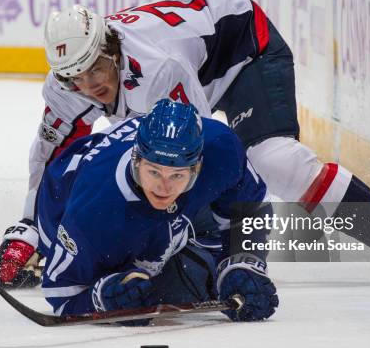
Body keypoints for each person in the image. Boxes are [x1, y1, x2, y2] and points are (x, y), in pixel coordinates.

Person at [0, 0, 370, 287]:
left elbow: (203, 157)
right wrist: (30, 229)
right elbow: (50, 159)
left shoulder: (157, 68)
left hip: (245, 50)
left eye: (94, 68)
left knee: (275, 161)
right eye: (75, 77)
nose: (88, 85)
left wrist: (180, 245)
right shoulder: (66, 86)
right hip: (198, 57)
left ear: (111, 49)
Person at [28, 100, 277, 322]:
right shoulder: (93, 216)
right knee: (147, 290)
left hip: (161, 215)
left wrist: (243, 263)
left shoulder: (220, 149)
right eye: (154, 171)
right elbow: (61, 293)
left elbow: (248, 210)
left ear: (198, 167)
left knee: (213, 270)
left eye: (177, 175)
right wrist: (103, 297)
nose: (164, 187)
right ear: (137, 159)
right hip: (70, 208)